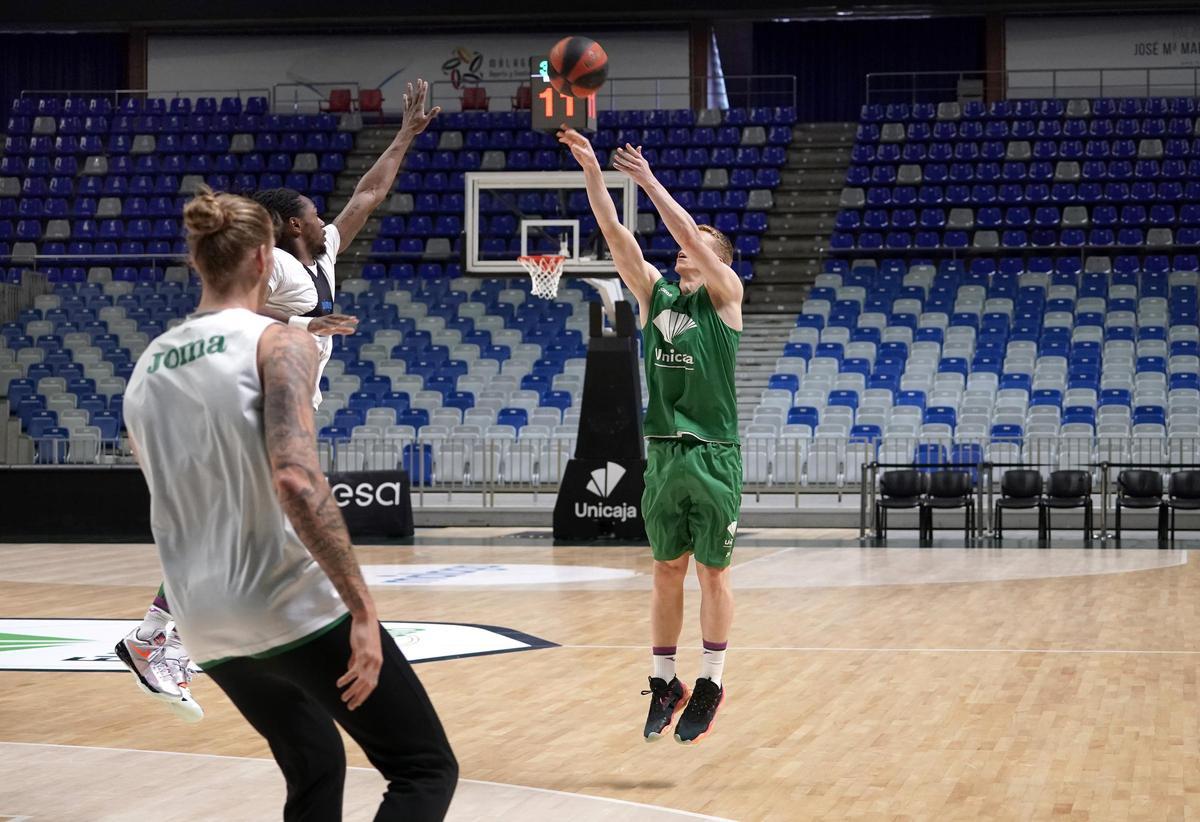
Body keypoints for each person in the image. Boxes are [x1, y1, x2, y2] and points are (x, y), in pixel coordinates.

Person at [123, 186, 458, 820]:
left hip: (202, 622)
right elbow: (297, 480)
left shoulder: (148, 366)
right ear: (263, 259)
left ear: (198, 261)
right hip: (285, 598)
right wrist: (361, 606)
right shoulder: (281, 344)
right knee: (423, 769)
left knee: (316, 768)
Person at [115, 80, 441, 720]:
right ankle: (160, 638)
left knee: (248, 525)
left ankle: (163, 636)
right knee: (255, 521)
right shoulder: (283, 270)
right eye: (316, 213)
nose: (327, 218)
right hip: (251, 398)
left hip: (281, 398)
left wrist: (404, 135)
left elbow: (369, 195)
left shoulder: (320, 258)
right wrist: (303, 328)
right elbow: (235, 311)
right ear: (292, 226)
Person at [558, 127, 743, 745]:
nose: (684, 251)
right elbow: (616, 236)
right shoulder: (655, 294)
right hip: (663, 454)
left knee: (712, 573)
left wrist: (647, 180)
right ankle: (666, 679)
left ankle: (711, 679)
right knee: (666, 569)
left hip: (713, 454)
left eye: (701, 246)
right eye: (688, 247)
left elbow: (687, 233)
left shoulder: (725, 297)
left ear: (719, 260)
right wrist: (592, 170)